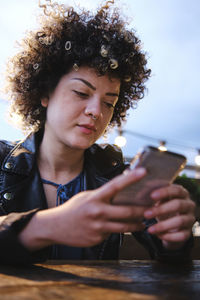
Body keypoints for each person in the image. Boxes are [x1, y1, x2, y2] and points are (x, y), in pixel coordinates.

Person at [0, 0, 195, 264]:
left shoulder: (117, 176)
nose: (96, 111)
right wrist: (44, 226)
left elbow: (170, 259)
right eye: (81, 93)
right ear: (44, 93)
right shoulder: (2, 161)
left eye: (109, 102)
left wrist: (174, 240)